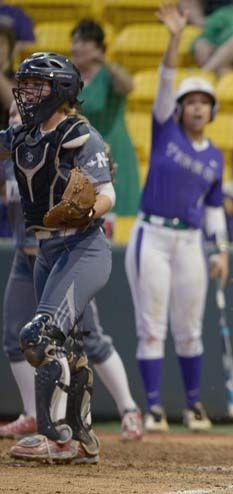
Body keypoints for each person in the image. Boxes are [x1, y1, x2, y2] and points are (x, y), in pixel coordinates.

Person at [0, 102, 143, 443]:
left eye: (21, 116)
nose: (17, 120)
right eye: (12, 117)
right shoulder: (13, 161)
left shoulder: (66, 149)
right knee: (16, 336)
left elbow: (102, 190)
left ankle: (127, 410)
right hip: (28, 254)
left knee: (84, 338)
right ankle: (35, 417)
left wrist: (92, 204)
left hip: (67, 253)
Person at [0, 51, 116, 464]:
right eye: (25, 84)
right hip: (45, 249)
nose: (27, 93)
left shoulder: (79, 134)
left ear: (60, 90)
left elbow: (108, 194)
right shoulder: (22, 135)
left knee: (39, 336)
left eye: (36, 85)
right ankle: (82, 437)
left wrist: (88, 210)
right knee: (66, 343)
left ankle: (56, 437)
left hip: (82, 246)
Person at [125, 4, 229, 433]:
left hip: (189, 242)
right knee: (152, 327)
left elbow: (213, 208)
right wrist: (174, 38)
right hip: (152, 234)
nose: (198, 108)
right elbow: (166, 80)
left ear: (213, 110)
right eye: (191, 102)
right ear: (181, 108)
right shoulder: (165, 130)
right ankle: (152, 407)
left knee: (189, 328)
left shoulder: (216, 157)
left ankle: (192, 405)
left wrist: (221, 250)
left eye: (205, 102)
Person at [70, 19, 140, 218]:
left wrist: (104, 62)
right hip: (81, 156)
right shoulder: (69, 79)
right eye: (74, 41)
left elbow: (129, 86)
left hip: (115, 153)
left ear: (99, 47)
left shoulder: (108, 76)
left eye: (84, 42)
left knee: (117, 218)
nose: (76, 47)